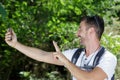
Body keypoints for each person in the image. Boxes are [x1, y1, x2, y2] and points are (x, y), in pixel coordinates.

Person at [5, 15, 117, 80]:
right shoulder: (76, 54)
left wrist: (66, 62)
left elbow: (89, 78)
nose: (77, 34)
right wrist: (16, 44)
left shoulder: (108, 58)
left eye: (80, 29)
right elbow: (43, 55)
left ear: (91, 31)